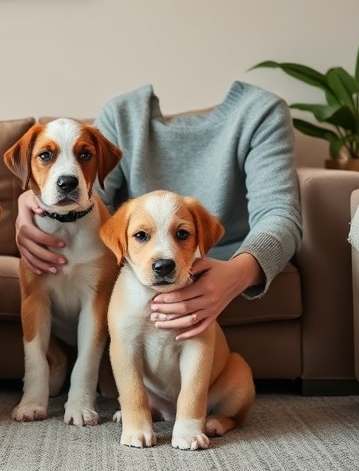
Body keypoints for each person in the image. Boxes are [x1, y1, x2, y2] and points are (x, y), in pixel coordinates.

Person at [15, 81, 302, 341]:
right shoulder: (122, 114)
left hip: (220, 267)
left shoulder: (261, 112)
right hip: (138, 275)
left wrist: (237, 275)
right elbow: (88, 198)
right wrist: (31, 199)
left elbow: (280, 214)